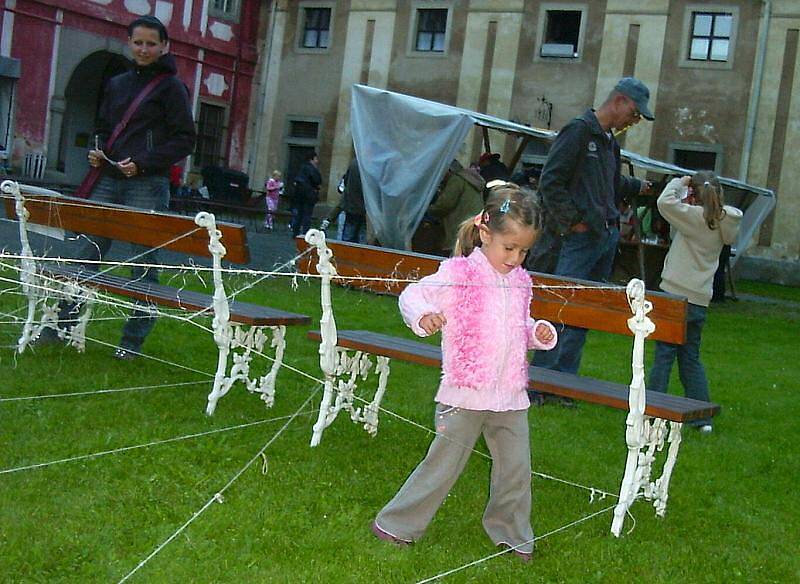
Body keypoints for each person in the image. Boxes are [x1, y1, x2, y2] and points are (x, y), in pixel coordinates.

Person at [372, 185, 558, 561]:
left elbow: (518, 324)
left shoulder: (521, 281)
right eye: (509, 248)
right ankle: (397, 524)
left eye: (523, 251)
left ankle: (511, 534)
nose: (515, 258)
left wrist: (536, 333)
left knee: (516, 470)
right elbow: (412, 296)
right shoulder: (459, 273)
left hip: (509, 395)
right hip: (465, 392)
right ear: (486, 234)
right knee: (442, 465)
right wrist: (424, 316)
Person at [35, 15, 196, 360]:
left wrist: (144, 162)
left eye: (151, 43)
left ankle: (131, 343)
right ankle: (62, 326)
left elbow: (185, 139)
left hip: (146, 184)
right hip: (108, 178)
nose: (144, 49)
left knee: (143, 265)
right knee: (84, 253)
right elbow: (103, 125)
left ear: (164, 46)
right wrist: (97, 149)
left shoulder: (172, 88)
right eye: (138, 42)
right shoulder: (118, 83)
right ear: (130, 43)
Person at [528, 77, 654, 399]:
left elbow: (609, 186)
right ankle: (541, 385)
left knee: (583, 315)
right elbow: (551, 182)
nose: (635, 121)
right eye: (635, 113)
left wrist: (636, 187)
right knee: (560, 309)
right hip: (580, 239)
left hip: (604, 237)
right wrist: (574, 224)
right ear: (620, 101)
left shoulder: (609, 141)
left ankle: (565, 387)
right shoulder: (579, 131)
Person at [647, 172, 742, 433]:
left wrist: (681, 182)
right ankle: (702, 418)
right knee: (691, 358)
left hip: (675, 294)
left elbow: (664, 203)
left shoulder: (693, 217)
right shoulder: (725, 221)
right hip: (700, 299)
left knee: (664, 356)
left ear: (695, 192)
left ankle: (653, 410)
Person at [426, 159, 484, 256]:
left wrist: (426, 211)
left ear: (448, 170)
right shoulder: (471, 181)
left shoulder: (457, 179)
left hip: (459, 227)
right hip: (473, 226)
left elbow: (445, 205)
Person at [291, 151, 322, 237]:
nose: (317, 161)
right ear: (312, 159)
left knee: (299, 214)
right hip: (309, 195)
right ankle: (305, 233)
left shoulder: (302, 167)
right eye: (316, 159)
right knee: (307, 215)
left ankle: (295, 232)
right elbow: (317, 180)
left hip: (299, 195)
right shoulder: (312, 169)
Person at [341, 157, 367, 244]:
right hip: (364, 208)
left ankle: (344, 254)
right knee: (362, 237)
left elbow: (345, 181)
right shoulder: (370, 165)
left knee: (348, 236)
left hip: (351, 205)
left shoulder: (354, 163)